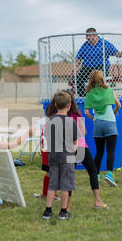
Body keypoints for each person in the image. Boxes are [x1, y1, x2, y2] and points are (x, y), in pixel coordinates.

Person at [64, 90, 108, 209]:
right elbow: (84, 132)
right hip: (81, 146)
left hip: (68, 148)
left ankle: (67, 204)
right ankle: (97, 200)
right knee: (92, 171)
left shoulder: (58, 116)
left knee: (69, 175)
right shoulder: (76, 113)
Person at [42, 91, 81, 220]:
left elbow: (47, 138)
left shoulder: (50, 121)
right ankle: (63, 211)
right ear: (69, 105)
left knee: (52, 184)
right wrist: (73, 150)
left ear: (55, 104)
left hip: (53, 157)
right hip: (67, 157)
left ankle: (48, 210)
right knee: (65, 185)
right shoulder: (71, 122)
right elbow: (75, 143)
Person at [84, 70, 121, 187]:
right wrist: (115, 111)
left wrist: (94, 119)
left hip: (97, 124)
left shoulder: (89, 94)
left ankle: (96, 174)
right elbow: (118, 105)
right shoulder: (109, 90)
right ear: (102, 79)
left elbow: (86, 112)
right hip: (110, 122)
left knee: (99, 151)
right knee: (111, 150)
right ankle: (109, 174)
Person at [75, 27, 122, 96]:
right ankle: (85, 96)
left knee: (97, 79)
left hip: (101, 66)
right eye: (86, 36)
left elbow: (116, 53)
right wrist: (76, 67)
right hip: (87, 67)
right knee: (78, 80)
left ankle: (99, 96)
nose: (87, 38)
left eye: (89, 36)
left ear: (95, 35)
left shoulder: (104, 44)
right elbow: (78, 58)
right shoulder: (85, 45)